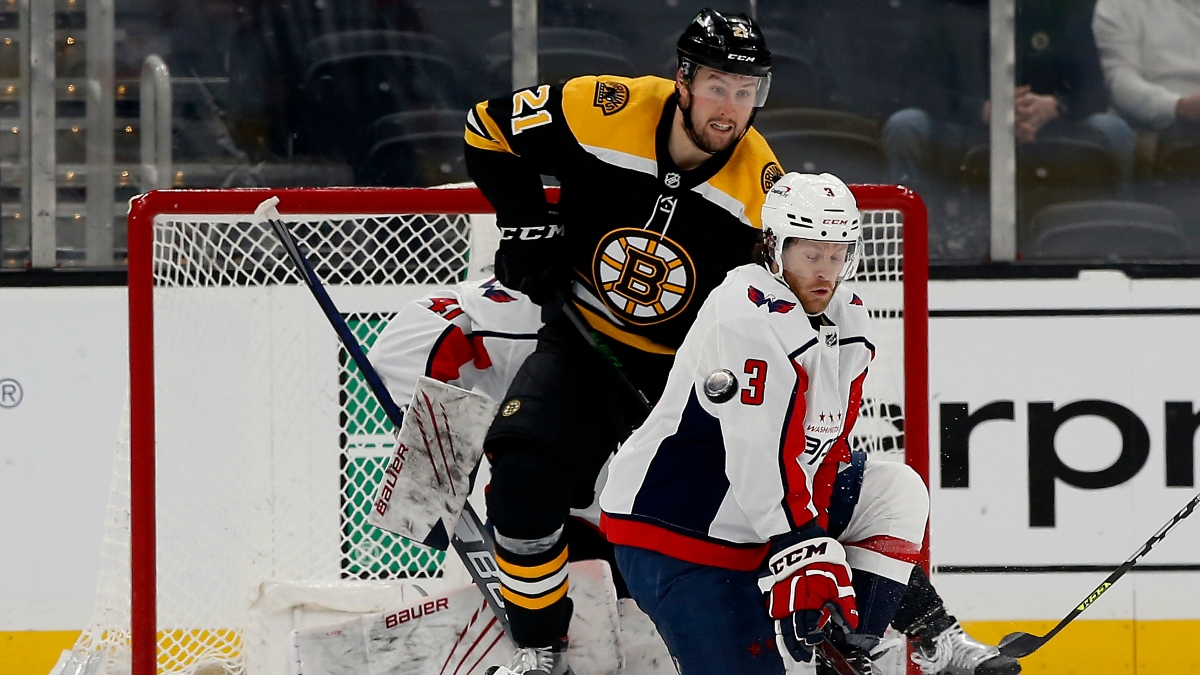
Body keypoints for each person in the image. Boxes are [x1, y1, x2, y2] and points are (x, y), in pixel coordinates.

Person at [462, 8, 781, 674]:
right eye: (718, 86)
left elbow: (776, 316)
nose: (730, 108)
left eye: (747, 92)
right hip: (582, 347)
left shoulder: (763, 192)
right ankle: (542, 650)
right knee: (520, 480)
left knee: (727, 521)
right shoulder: (599, 108)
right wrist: (526, 225)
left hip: (686, 380)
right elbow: (485, 127)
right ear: (683, 80)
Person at [599, 173, 1020, 675]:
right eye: (811, 255)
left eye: (837, 255)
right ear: (774, 249)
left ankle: (862, 646)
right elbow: (761, 456)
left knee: (893, 490)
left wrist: (815, 555)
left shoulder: (847, 318)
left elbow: (827, 448)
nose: (826, 271)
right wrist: (801, 548)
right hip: (678, 531)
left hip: (757, 517)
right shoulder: (744, 316)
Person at [881, 0, 1134, 259]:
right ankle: (920, 247)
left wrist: (1055, 105)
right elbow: (916, 85)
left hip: (1048, 129)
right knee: (906, 125)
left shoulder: (1062, 8)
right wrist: (980, 110)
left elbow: (1095, 90)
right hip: (966, 129)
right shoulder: (946, 9)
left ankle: (1124, 241)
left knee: (1114, 130)